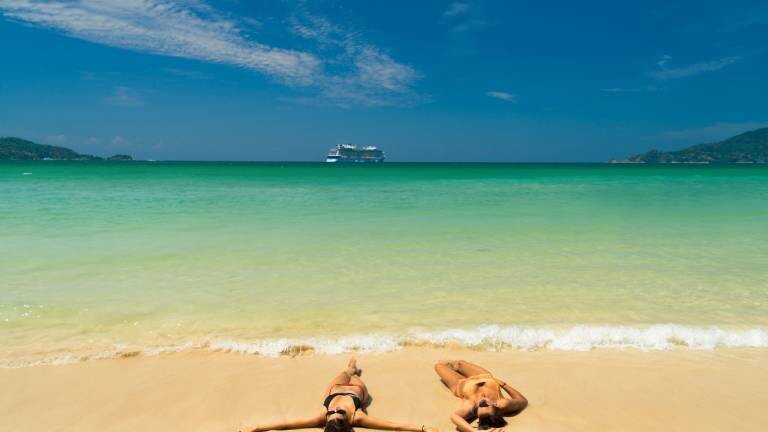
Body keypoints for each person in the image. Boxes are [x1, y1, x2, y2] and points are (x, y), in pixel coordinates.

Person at [243, 358, 438, 432]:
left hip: (334, 388)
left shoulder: (321, 416)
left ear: (327, 419)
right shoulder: (357, 417)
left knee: (346, 372)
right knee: (354, 376)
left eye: (332, 412)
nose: (335, 410)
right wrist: (423, 428)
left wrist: (256, 427)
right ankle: (353, 370)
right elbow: (394, 426)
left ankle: (352, 367)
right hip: (357, 390)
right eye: (339, 412)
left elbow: (285, 424)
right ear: (346, 421)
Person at [433, 360, 527, 432]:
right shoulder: (502, 403)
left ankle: (451, 367)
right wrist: (503, 385)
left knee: (438, 366)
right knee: (459, 363)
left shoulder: (471, 406)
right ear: (495, 405)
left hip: (461, 384)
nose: (480, 402)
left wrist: (473, 431)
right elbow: (522, 401)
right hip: (483, 376)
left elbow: (454, 416)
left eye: (479, 406)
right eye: (484, 404)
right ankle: (454, 366)